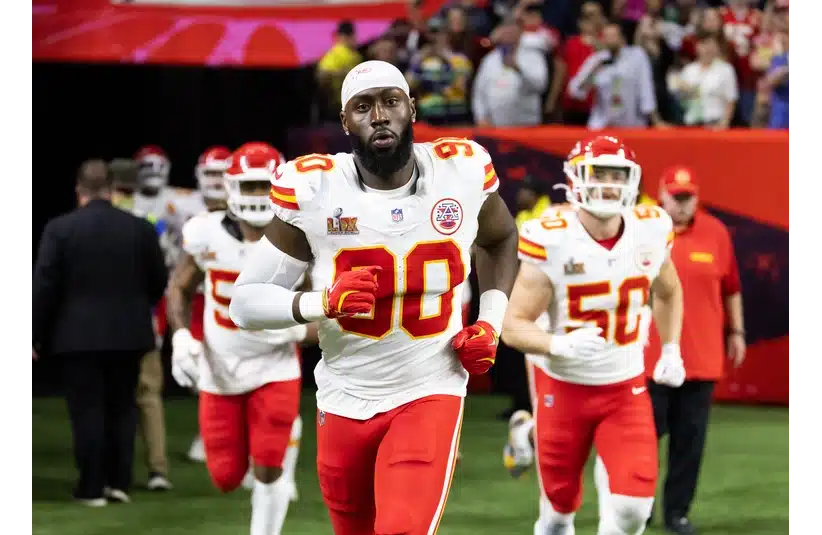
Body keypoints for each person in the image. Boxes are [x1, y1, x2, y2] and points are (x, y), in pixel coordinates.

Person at [228, 60, 519, 535]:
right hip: (344, 391)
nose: (379, 115)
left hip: (430, 385)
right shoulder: (315, 188)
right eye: (363, 107)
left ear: (411, 109)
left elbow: (501, 238)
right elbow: (245, 303)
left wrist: (491, 321)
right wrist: (321, 303)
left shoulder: (460, 170)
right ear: (345, 122)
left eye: (390, 102)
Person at [500, 136, 686, 535]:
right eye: (597, 174)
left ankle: (527, 432)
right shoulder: (550, 236)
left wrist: (671, 349)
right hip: (563, 384)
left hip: (625, 386)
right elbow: (512, 324)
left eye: (616, 175)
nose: (607, 185)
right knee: (557, 512)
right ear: (574, 179)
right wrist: (557, 344)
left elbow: (669, 291)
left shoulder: (651, 228)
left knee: (635, 509)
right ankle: (529, 432)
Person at [166, 142, 314, 535]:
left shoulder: (303, 237)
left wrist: (297, 326)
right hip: (220, 368)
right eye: (249, 186)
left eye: (264, 185)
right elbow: (180, 287)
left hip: (275, 365)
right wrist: (181, 337)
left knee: (268, 464)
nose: (257, 196)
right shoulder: (206, 232)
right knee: (226, 476)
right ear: (230, 188)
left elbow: (331, 306)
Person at [32, 160, 168, 506]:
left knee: (87, 410)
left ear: (79, 191)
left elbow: (44, 286)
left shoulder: (59, 229)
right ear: (110, 190)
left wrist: (37, 333)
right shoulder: (141, 229)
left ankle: (92, 487)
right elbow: (158, 281)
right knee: (122, 407)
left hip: (76, 337)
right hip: (130, 335)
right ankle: (119, 483)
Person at [643, 166, 746, 535]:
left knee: (689, 443)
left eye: (688, 197)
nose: (683, 204)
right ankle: (636, 507)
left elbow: (731, 287)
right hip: (648, 359)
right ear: (662, 196)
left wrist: (737, 331)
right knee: (641, 440)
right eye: (676, 197)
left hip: (701, 359)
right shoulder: (641, 229)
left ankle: (677, 513)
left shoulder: (716, 232)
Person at [109, 158, 174, 492]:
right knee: (149, 397)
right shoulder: (153, 222)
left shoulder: (102, 221)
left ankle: (114, 476)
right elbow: (160, 281)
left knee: (114, 399)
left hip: (109, 326)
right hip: (145, 321)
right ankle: (158, 470)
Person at [186, 145, 232, 464]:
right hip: (202, 298)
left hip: (235, 298)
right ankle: (211, 434)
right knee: (201, 368)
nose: (215, 181)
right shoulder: (185, 207)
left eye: (221, 173)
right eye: (210, 174)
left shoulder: (248, 208)